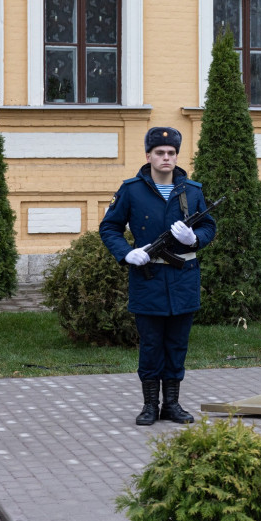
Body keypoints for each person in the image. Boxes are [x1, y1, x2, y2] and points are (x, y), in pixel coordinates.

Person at [100, 127, 216, 426]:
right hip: (148, 279)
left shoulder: (192, 190)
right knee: (151, 346)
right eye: (160, 153)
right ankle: (150, 405)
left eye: (171, 153)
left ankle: (172, 405)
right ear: (148, 156)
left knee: (177, 345)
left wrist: (194, 239)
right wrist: (126, 253)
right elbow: (109, 227)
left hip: (183, 280)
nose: (166, 158)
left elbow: (209, 227)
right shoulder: (131, 189)